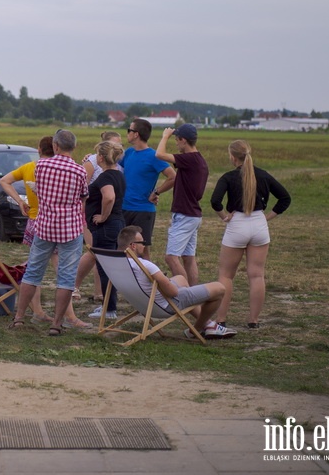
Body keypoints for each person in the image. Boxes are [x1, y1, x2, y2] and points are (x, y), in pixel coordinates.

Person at [0, 135, 88, 327]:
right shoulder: (79, 170)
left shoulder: (40, 167)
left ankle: (19, 317)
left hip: (44, 225)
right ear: (74, 146)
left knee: (33, 273)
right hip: (69, 228)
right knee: (65, 278)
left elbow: (39, 190)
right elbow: (82, 199)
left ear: (56, 146)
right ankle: (57, 324)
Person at [210, 140, 291, 329]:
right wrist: (268, 217)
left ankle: (221, 319)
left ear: (232, 156)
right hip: (259, 224)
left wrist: (224, 217)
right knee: (256, 275)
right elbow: (285, 197)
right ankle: (253, 320)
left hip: (237, 223)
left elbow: (215, 201)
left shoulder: (228, 177)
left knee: (226, 275)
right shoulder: (263, 175)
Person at [118, 226, 235, 339]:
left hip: (142, 303)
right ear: (133, 246)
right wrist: (166, 282)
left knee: (180, 278)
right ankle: (196, 329)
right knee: (219, 289)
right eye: (142, 243)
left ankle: (208, 325)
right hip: (166, 305)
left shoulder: (117, 263)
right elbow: (173, 293)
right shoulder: (145, 265)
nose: (144, 245)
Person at [154, 124, 209, 286]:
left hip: (184, 215)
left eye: (177, 140)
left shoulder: (189, 159)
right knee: (188, 258)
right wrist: (157, 191)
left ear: (183, 140)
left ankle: (185, 294)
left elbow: (159, 154)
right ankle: (194, 295)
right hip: (193, 215)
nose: (176, 144)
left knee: (171, 257)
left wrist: (165, 136)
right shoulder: (198, 160)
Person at [74, 130, 123, 302]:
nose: (119, 148)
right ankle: (75, 286)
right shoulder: (92, 162)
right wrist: (82, 211)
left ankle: (99, 293)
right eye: (116, 145)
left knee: (101, 253)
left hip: (108, 215)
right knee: (94, 250)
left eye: (120, 145)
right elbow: (83, 189)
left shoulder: (117, 164)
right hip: (93, 214)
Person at [121, 118, 175, 260]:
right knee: (123, 249)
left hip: (143, 210)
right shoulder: (128, 153)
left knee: (142, 251)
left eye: (129, 130)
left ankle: (147, 281)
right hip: (124, 207)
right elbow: (111, 165)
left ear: (136, 134)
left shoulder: (153, 156)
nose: (127, 133)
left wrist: (156, 192)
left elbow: (172, 176)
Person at [84, 141, 126, 321]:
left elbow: (109, 197)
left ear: (100, 158)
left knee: (105, 268)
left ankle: (109, 309)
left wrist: (102, 216)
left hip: (106, 227)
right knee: (110, 267)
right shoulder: (118, 174)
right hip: (116, 224)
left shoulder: (105, 177)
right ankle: (109, 305)